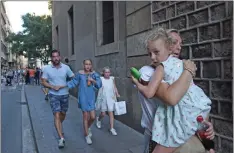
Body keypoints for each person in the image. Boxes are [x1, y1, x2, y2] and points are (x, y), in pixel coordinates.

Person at [132, 28, 213, 153]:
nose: (178, 47)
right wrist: (189, 71)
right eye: (174, 42)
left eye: (180, 44)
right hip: (162, 138)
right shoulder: (148, 72)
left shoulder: (177, 69)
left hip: (185, 136)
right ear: (167, 45)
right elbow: (172, 98)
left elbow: (193, 105)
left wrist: (205, 127)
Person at [55, 59, 102, 145]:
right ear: (83, 65)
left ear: (91, 65)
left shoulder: (94, 74)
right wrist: (62, 86)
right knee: (85, 116)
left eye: (89, 64)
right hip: (83, 98)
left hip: (91, 98)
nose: (87, 66)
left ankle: (87, 127)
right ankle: (87, 135)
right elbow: (73, 82)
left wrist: (93, 80)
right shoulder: (80, 74)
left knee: (93, 117)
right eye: (86, 64)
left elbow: (99, 85)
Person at [41, 49, 74, 149]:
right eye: (53, 57)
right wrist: (52, 86)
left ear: (60, 57)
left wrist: (65, 85)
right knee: (56, 114)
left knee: (63, 114)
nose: (55, 58)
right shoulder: (47, 69)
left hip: (64, 95)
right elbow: (43, 81)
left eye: (57, 56)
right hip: (53, 95)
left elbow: (73, 78)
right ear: (51, 58)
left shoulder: (66, 68)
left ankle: (59, 125)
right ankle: (61, 138)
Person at [95, 66, 120, 136]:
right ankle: (98, 119)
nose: (107, 74)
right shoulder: (101, 79)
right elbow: (97, 85)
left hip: (111, 98)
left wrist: (117, 93)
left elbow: (114, 86)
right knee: (103, 114)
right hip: (103, 98)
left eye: (108, 72)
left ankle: (112, 128)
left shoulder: (112, 79)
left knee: (111, 113)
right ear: (103, 73)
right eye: (106, 72)